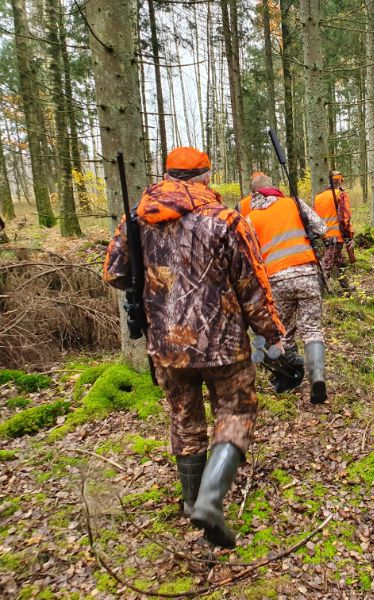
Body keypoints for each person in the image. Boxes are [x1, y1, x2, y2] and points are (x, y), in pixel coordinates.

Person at [103, 146, 285, 549]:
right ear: (204, 177)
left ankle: (191, 504)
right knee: (236, 411)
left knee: (185, 419)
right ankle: (210, 500)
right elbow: (253, 286)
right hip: (223, 343)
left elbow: (114, 273)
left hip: (167, 346)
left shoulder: (138, 218)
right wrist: (272, 333)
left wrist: (156, 282)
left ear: (168, 177)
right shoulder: (226, 220)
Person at [246, 179, 329, 405]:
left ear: (253, 194)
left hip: (276, 280)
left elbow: (248, 254)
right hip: (307, 274)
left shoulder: (250, 218)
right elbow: (322, 228)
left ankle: (291, 378)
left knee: (283, 330)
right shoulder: (294, 203)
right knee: (312, 328)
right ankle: (317, 378)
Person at [312, 170, 355, 294]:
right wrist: (349, 236)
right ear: (340, 181)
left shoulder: (318, 197)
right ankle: (316, 293)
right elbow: (345, 219)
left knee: (339, 261)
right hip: (336, 236)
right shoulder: (341, 195)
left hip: (323, 236)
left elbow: (313, 218)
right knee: (326, 266)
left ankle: (346, 288)